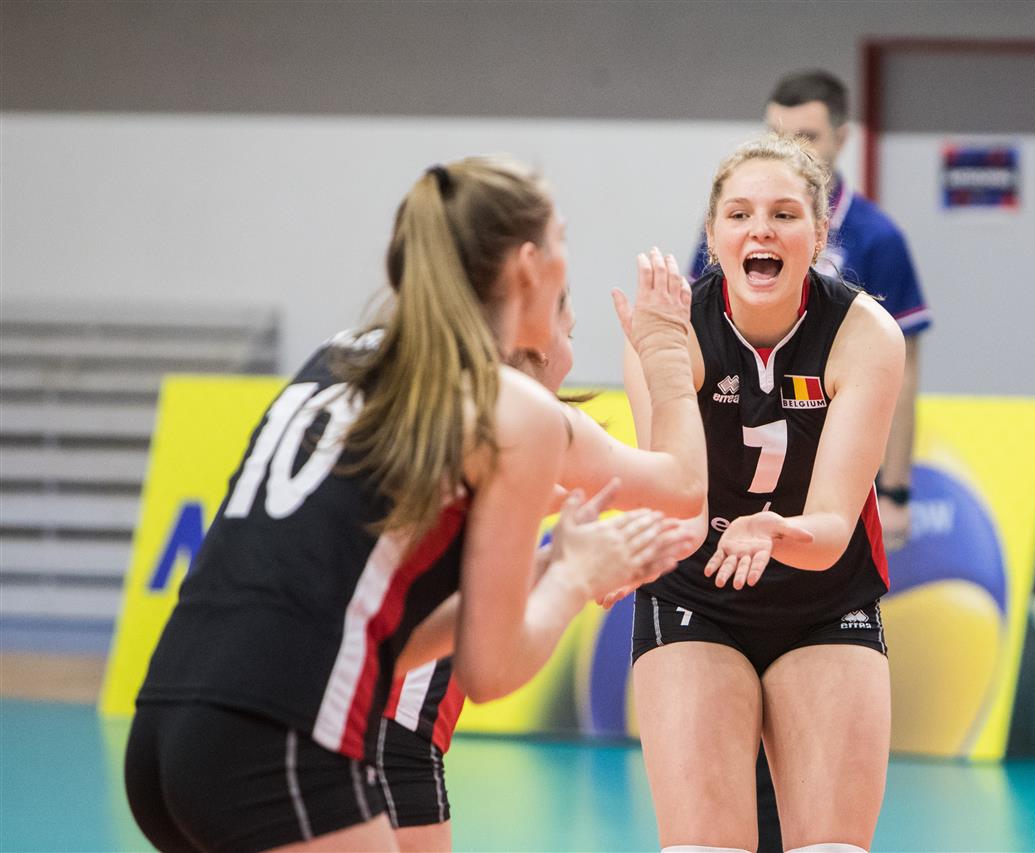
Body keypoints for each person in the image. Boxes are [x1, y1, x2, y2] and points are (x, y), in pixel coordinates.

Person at [123, 159, 695, 852]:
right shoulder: (512, 409)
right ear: (527, 266)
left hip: (162, 730)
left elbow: (381, 633)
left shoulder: (341, 356)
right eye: (563, 239)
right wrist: (665, 351)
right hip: (278, 734)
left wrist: (552, 567)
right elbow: (494, 669)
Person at [626, 133, 904, 853]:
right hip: (695, 591)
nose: (761, 231)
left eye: (784, 214)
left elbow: (833, 527)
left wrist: (775, 530)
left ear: (819, 233)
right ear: (713, 234)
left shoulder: (865, 333)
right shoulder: (673, 328)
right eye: (740, 214)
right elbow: (677, 498)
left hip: (824, 596)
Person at [377, 262, 710, 852]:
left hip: (367, 724)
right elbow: (680, 489)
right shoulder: (520, 424)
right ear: (531, 342)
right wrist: (664, 357)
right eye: (570, 334)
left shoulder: (440, 410)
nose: (573, 357)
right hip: (392, 735)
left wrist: (584, 557)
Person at [692, 69, 929, 554]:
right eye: (775, 134)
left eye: (805, 137)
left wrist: (896, 489)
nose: (788, 149)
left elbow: (904, 370)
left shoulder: (878, 237)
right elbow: (700, 333)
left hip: (831, 451)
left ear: (842, 138)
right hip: (734, 459)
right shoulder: (729, 230)